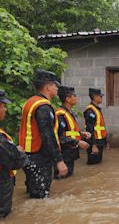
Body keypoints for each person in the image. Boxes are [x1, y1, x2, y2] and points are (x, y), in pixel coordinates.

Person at [19, 69, 68, 198]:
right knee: (40, 196)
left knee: (33, 192)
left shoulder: (30, 102)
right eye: (55, 85)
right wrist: (59, 160)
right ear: (48, 87)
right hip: (39, 156)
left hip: (27, 154)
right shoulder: (43, 107)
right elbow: (47, 135)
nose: (57, 88)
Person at [0, 90, 28, 218]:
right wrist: (19, 151)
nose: (5, 110)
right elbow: (15, 161)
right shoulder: (1, 139)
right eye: (3, 106)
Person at [54, 86, 91, 178]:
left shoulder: (68, 113)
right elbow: (58, 137)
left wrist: (81, 134)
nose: (76, 98)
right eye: (74, 95)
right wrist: (78, 142)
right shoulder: (60, 115)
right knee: (62, 179)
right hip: (63, 153)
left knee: (68, 178)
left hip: (70, 152)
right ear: (67, 99)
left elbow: (68, 132)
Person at [84, 88, 107, 165]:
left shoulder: (97, 109)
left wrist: (105, 142)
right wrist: (93, 145)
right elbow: (89, 129)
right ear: (94, 97)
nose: (101, 98)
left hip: (100, 141)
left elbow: (101, 127)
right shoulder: (90, 111)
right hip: (94, 142)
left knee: (98, 163)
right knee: (92, 163)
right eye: (100, 96)